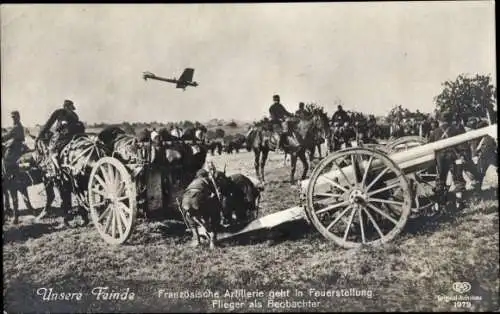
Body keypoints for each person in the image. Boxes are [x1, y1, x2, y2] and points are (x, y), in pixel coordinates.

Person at [428, 110, 468, 210]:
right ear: (450, 120)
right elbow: (463, 145)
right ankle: (459, 203)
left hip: (441, 158)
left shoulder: (435, 132)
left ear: (440, 121)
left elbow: (429, 147)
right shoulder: (456, 129)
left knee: (440, 179)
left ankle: (440, 205)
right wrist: (463, 155)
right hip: (454, 156)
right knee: (458, 179)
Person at [37, 99, 83, 170]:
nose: (70, 110)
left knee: (53, 149)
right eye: (69, 107)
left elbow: (49, 124)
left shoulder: (63, 113)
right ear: (66, 107)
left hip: (64, 136)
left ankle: (56, 165)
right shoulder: (71, 115)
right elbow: (49, 124)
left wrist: (40, 135)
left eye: (70, 108)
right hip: (74, 135)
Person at [2, 111, 26, 176]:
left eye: (14, 117)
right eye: (12, 117)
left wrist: (4, 139)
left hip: (14, 149)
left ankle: (6, 178)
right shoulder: (20, 126)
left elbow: (7, 136)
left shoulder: (16, 127)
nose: (13, 119)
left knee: (5, 160)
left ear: (18, 117)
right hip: (17, 148)